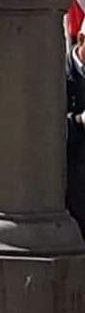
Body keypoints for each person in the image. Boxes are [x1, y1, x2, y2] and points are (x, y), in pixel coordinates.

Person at [66, 21, 85, 236]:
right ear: (81, 40)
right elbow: (43, 127)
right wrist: (79, 121)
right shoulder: (56, 73)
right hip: (73, 178)